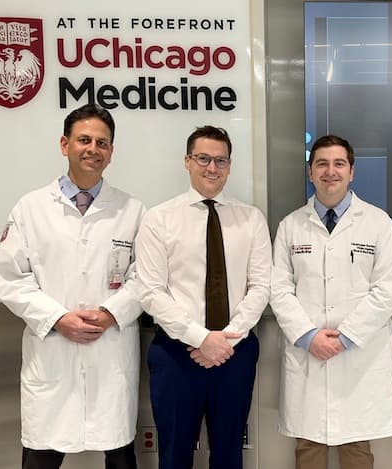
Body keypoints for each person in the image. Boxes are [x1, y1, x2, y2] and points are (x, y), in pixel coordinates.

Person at [0, 104, 144, 469]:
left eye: (102, 143)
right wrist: (58, 318)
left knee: (120, 456)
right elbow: (10, 277)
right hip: (53, 355)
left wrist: (111, 313)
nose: (93, 149)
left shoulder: (132, 209)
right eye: (84, 140)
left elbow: (146, 278)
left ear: (111, 152)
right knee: (41, 457)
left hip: (110, 351)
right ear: (65, 144)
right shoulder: (30, 208)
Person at [135, 125, 271, 469]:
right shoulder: (159, 219)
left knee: (229, 454)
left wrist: (225, 340)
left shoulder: (251, 219)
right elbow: (151, 291)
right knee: (174, 455)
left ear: (229, 165)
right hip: (177, 354)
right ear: (187, 161)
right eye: (203, 158)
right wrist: (200, 338)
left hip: (234, 353)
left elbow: (260, 287)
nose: (212, 167)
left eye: (220, 160)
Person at [270, 134, 392, 469]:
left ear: (352, 172)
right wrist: (308, 336)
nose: (331, 172)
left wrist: (344, 337)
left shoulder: (377, 223)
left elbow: (388, 289)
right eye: (322, 164)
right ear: (310, 172)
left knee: (357, 449)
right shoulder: (290, 226)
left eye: (339, 164)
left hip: (358, 356)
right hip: (308, 353)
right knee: (308, 449)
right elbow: (278, 288)